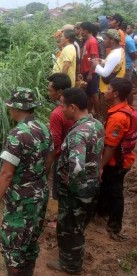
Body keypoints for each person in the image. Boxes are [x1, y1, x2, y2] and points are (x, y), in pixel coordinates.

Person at [0, 88, 53, 276]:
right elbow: (49, 158)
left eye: (10, 107)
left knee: (12, 246)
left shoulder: (17, 134)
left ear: (16, 108)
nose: (9, 110)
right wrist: (37, 179)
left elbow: (7, 173)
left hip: (21, 200)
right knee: (31, 240)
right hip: (40, 194)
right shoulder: (43, 128)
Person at [47, 88, 104, 274]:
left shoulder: (77, 134)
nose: (60, 109)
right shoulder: (96, 124)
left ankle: (70, 266)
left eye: (62, 105)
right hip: (92, 185)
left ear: (72, 107)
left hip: (76, 191)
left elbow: (77, 167)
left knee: (70, 229)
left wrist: (70, 186)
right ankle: (73, 260)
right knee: (78, 227)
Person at [96, 78, 136, 241]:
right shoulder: (127, 111)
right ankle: (102, 212)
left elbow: (111, 147)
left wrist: (101, 166)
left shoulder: (118, 117)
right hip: (123, 159)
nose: (106, 91)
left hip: (116, 162)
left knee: (115, 191)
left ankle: (114, 225)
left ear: (116, 93)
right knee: (107, 186)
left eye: (109, 88)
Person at [47, 73, 75, 200]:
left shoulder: (57, 114)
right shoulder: (76, 105)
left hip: (62, 157)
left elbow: (55, 143)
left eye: (50, 90)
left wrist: (48, 165)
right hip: (74, 153)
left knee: (59, 192)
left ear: (60, 92)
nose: (48, 93)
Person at [92, 29, 126, 120]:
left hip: (108, 89)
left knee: (107, 113)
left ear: (112, 40)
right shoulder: (119, 50)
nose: (104, 41)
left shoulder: (114, 54)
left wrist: (96, 65)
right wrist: (102, 61)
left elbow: (105, 73)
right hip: (115, 86)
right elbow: (113, 64)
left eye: (106, 38)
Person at [80, 22, 100, 113]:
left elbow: (94, 59)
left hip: (91, 72)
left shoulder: (92, 42)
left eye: (81, 30)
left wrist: (90, 73)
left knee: (94, 94)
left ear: (86, 30)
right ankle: (89, 114)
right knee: (88, 94)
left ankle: (98, 114)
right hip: (87, 71)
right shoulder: (88, 41)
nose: (80, 32)